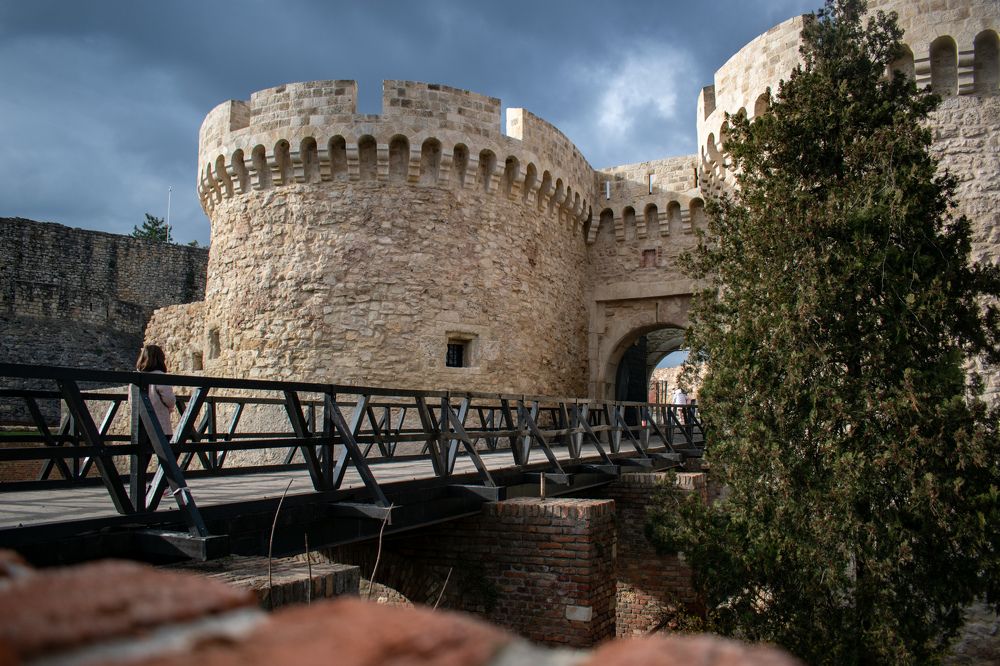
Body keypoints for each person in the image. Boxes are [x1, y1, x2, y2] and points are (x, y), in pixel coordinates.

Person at [136, 344, 176, 437]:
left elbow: (132, 400)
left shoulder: (135, 378)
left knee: (142, 450)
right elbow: (170, 400)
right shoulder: (160, 376)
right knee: (163, 450)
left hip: (140, 424)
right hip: (159, 424)